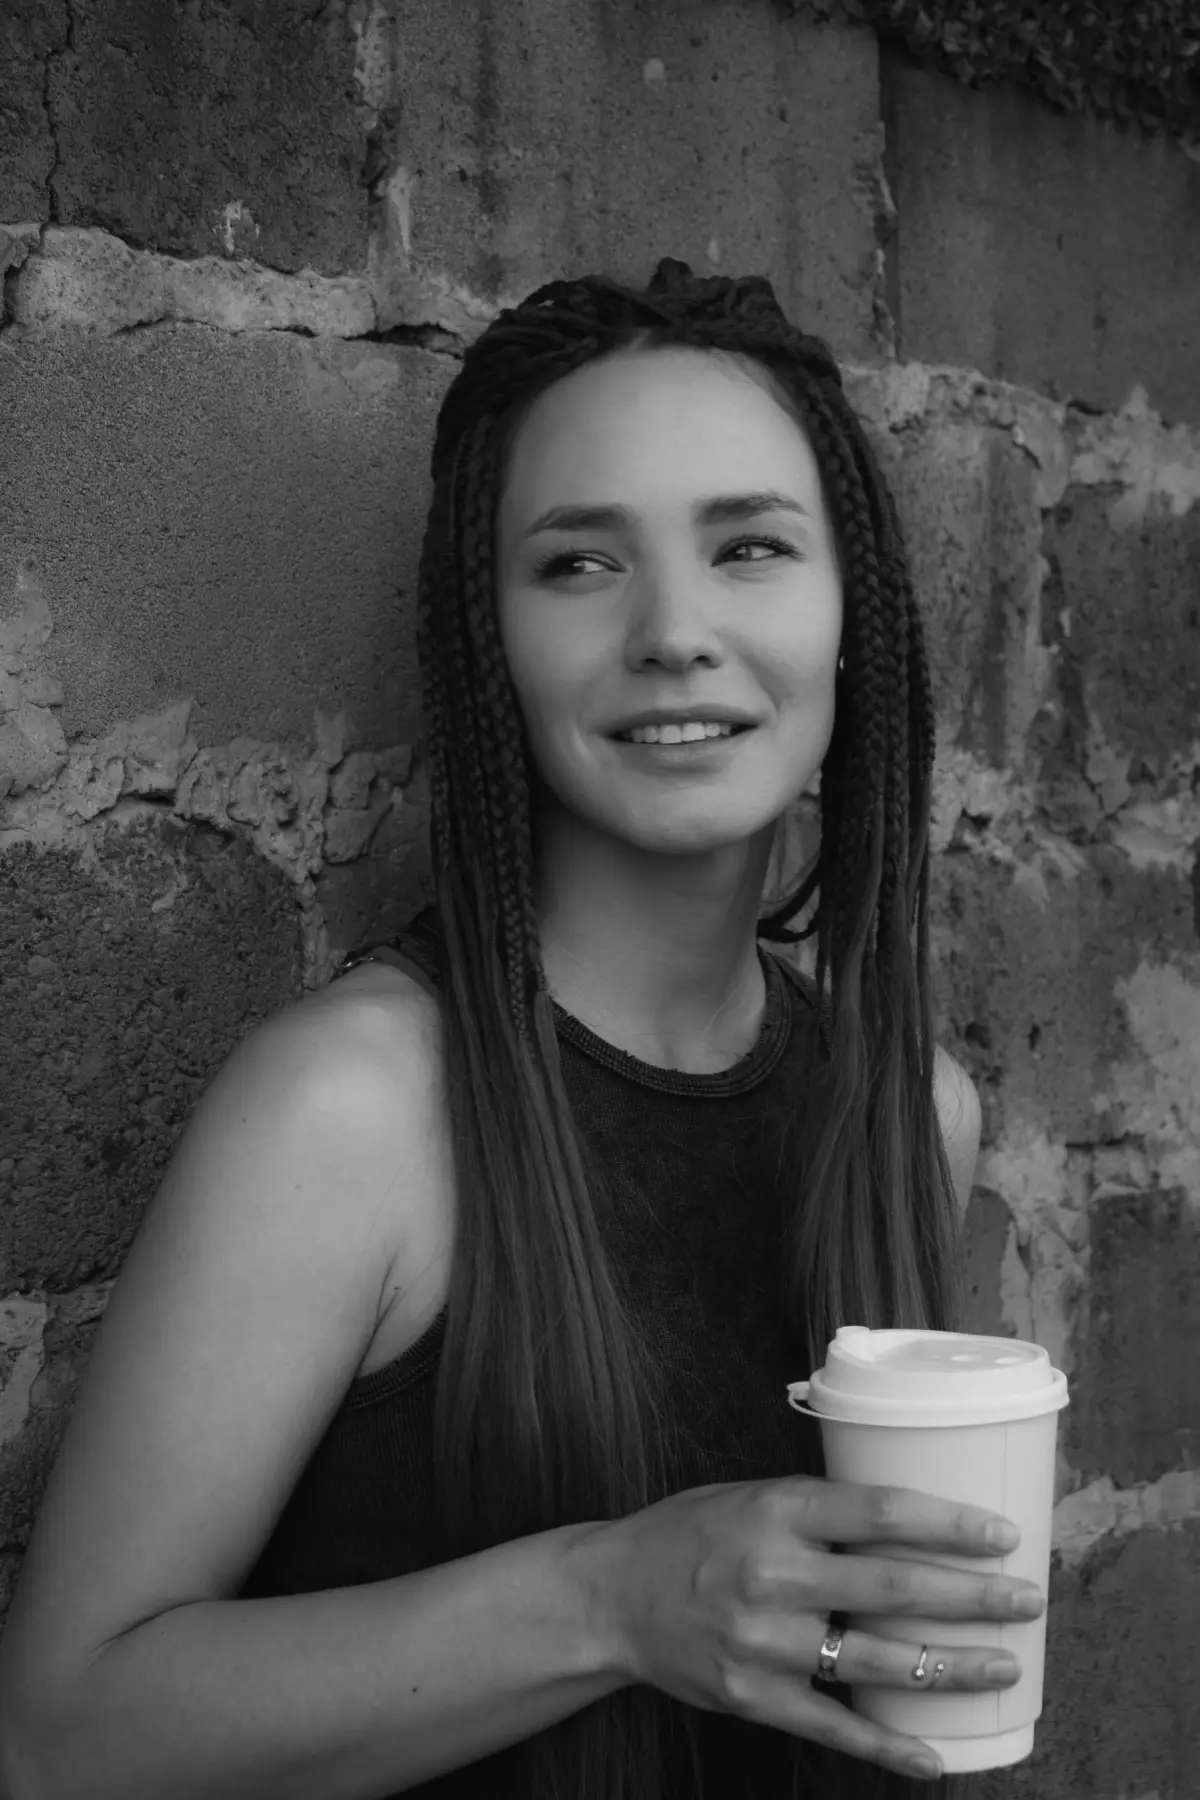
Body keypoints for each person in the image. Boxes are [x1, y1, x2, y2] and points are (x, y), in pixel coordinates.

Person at [0, 260, 1044, 1800]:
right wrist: (614, 1600)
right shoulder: (353, 1110)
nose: (675, 630)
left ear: (853, 615)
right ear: (488, 638)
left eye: (751, 547)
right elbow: (58, 1740)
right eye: (578, 564)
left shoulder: (910, 1116)